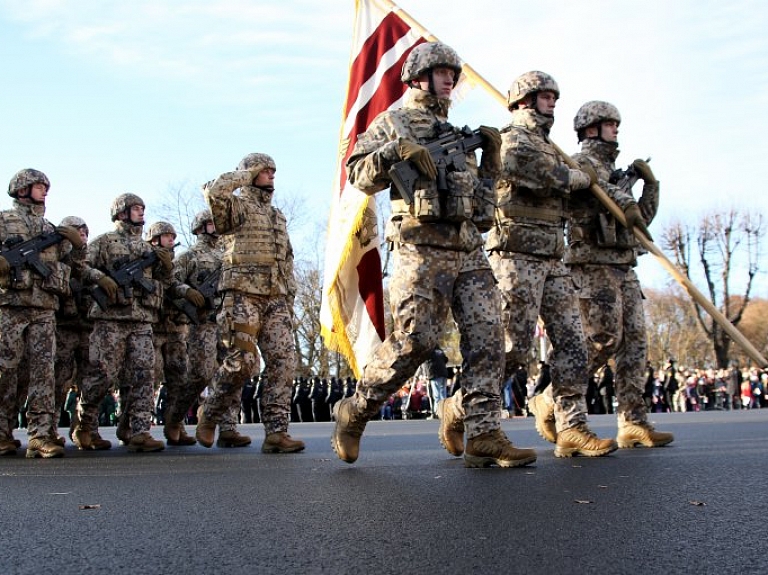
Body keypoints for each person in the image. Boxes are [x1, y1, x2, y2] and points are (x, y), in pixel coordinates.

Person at [331, 41, 536, 468]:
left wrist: (492, 161)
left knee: (489, 339)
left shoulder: (457, 137)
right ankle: (356, 409)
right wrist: (393, 152)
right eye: (442, 72)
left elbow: (481, 209)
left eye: (453, 74)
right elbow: (357, 173)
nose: (450, 80)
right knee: (416, 341)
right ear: (418, 77)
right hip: (420, 249)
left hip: (467, 248)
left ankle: (483, 433)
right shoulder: (395, 121)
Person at [485, 71, 616, 457]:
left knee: (575, 343)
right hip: (515, 255)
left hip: (553, 256)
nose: (553, 102)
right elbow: (535, 174)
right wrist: (577, 177)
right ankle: (465, 410)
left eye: (555, 97)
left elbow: (569, 194)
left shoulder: (550, 145)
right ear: (525, 101)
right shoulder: (513, 139)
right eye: (546, 96)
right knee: (513, 348)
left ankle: (572, 426)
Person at [567, 100, 673, 447]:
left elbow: (639, 221)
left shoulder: (616, 170)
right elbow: (604, 198)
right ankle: (557, 397)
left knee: (635, 344)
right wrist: (621, 197)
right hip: (592, 263)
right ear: (591, 129)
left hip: (624, 262)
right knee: (602, 339)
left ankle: (633, 420)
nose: (616, 130)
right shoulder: (581, 162)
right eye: (610, 124)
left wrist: (650, 186)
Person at [195, 152, 304, 453]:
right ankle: (212, 411)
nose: (272, 175)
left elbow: (288, 259)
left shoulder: (277, 215)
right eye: (265, 170)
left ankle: (276, 433)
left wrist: (289, 296)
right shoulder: (235, 207)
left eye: (273, 170)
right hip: (242, 295)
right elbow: (214, 190)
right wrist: (245, 175)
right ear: (249, 172)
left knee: (283, 362)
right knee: (243, 362)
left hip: (276, 298)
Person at [73, 193, 171, 452]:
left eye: (142, 209)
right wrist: (101, 278)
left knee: (143, 376)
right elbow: (80, 265)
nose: (141, 213)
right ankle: (84, 425)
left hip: (141, 320)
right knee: (102, 375)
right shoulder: (105, 242)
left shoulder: (147, 248)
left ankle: (139, 430)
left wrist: (166, 265)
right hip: (110, 320)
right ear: (121, 212)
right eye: (136, 208)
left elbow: (162, 280)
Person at [0, 168, 84, 457]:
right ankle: (1, 432)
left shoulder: (50, 229)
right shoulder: (4, 220)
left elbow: (72, 265)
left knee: (43, 372)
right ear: (22, 189)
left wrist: (75, 244)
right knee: (6, 371)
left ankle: (40, 434)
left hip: (45, 308)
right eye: (39, 186)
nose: (44, 191)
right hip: (10, 307)